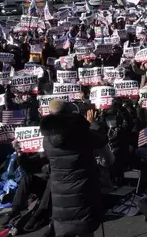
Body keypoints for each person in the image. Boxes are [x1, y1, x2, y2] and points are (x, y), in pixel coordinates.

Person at [40, 100, 109, 237]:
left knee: (65, 230)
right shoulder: (84, 134)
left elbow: (44, 160)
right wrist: (92, 124)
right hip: (84, 192)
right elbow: (103, 142)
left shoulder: (46, 139)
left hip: (60, 196)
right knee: (85, 230)